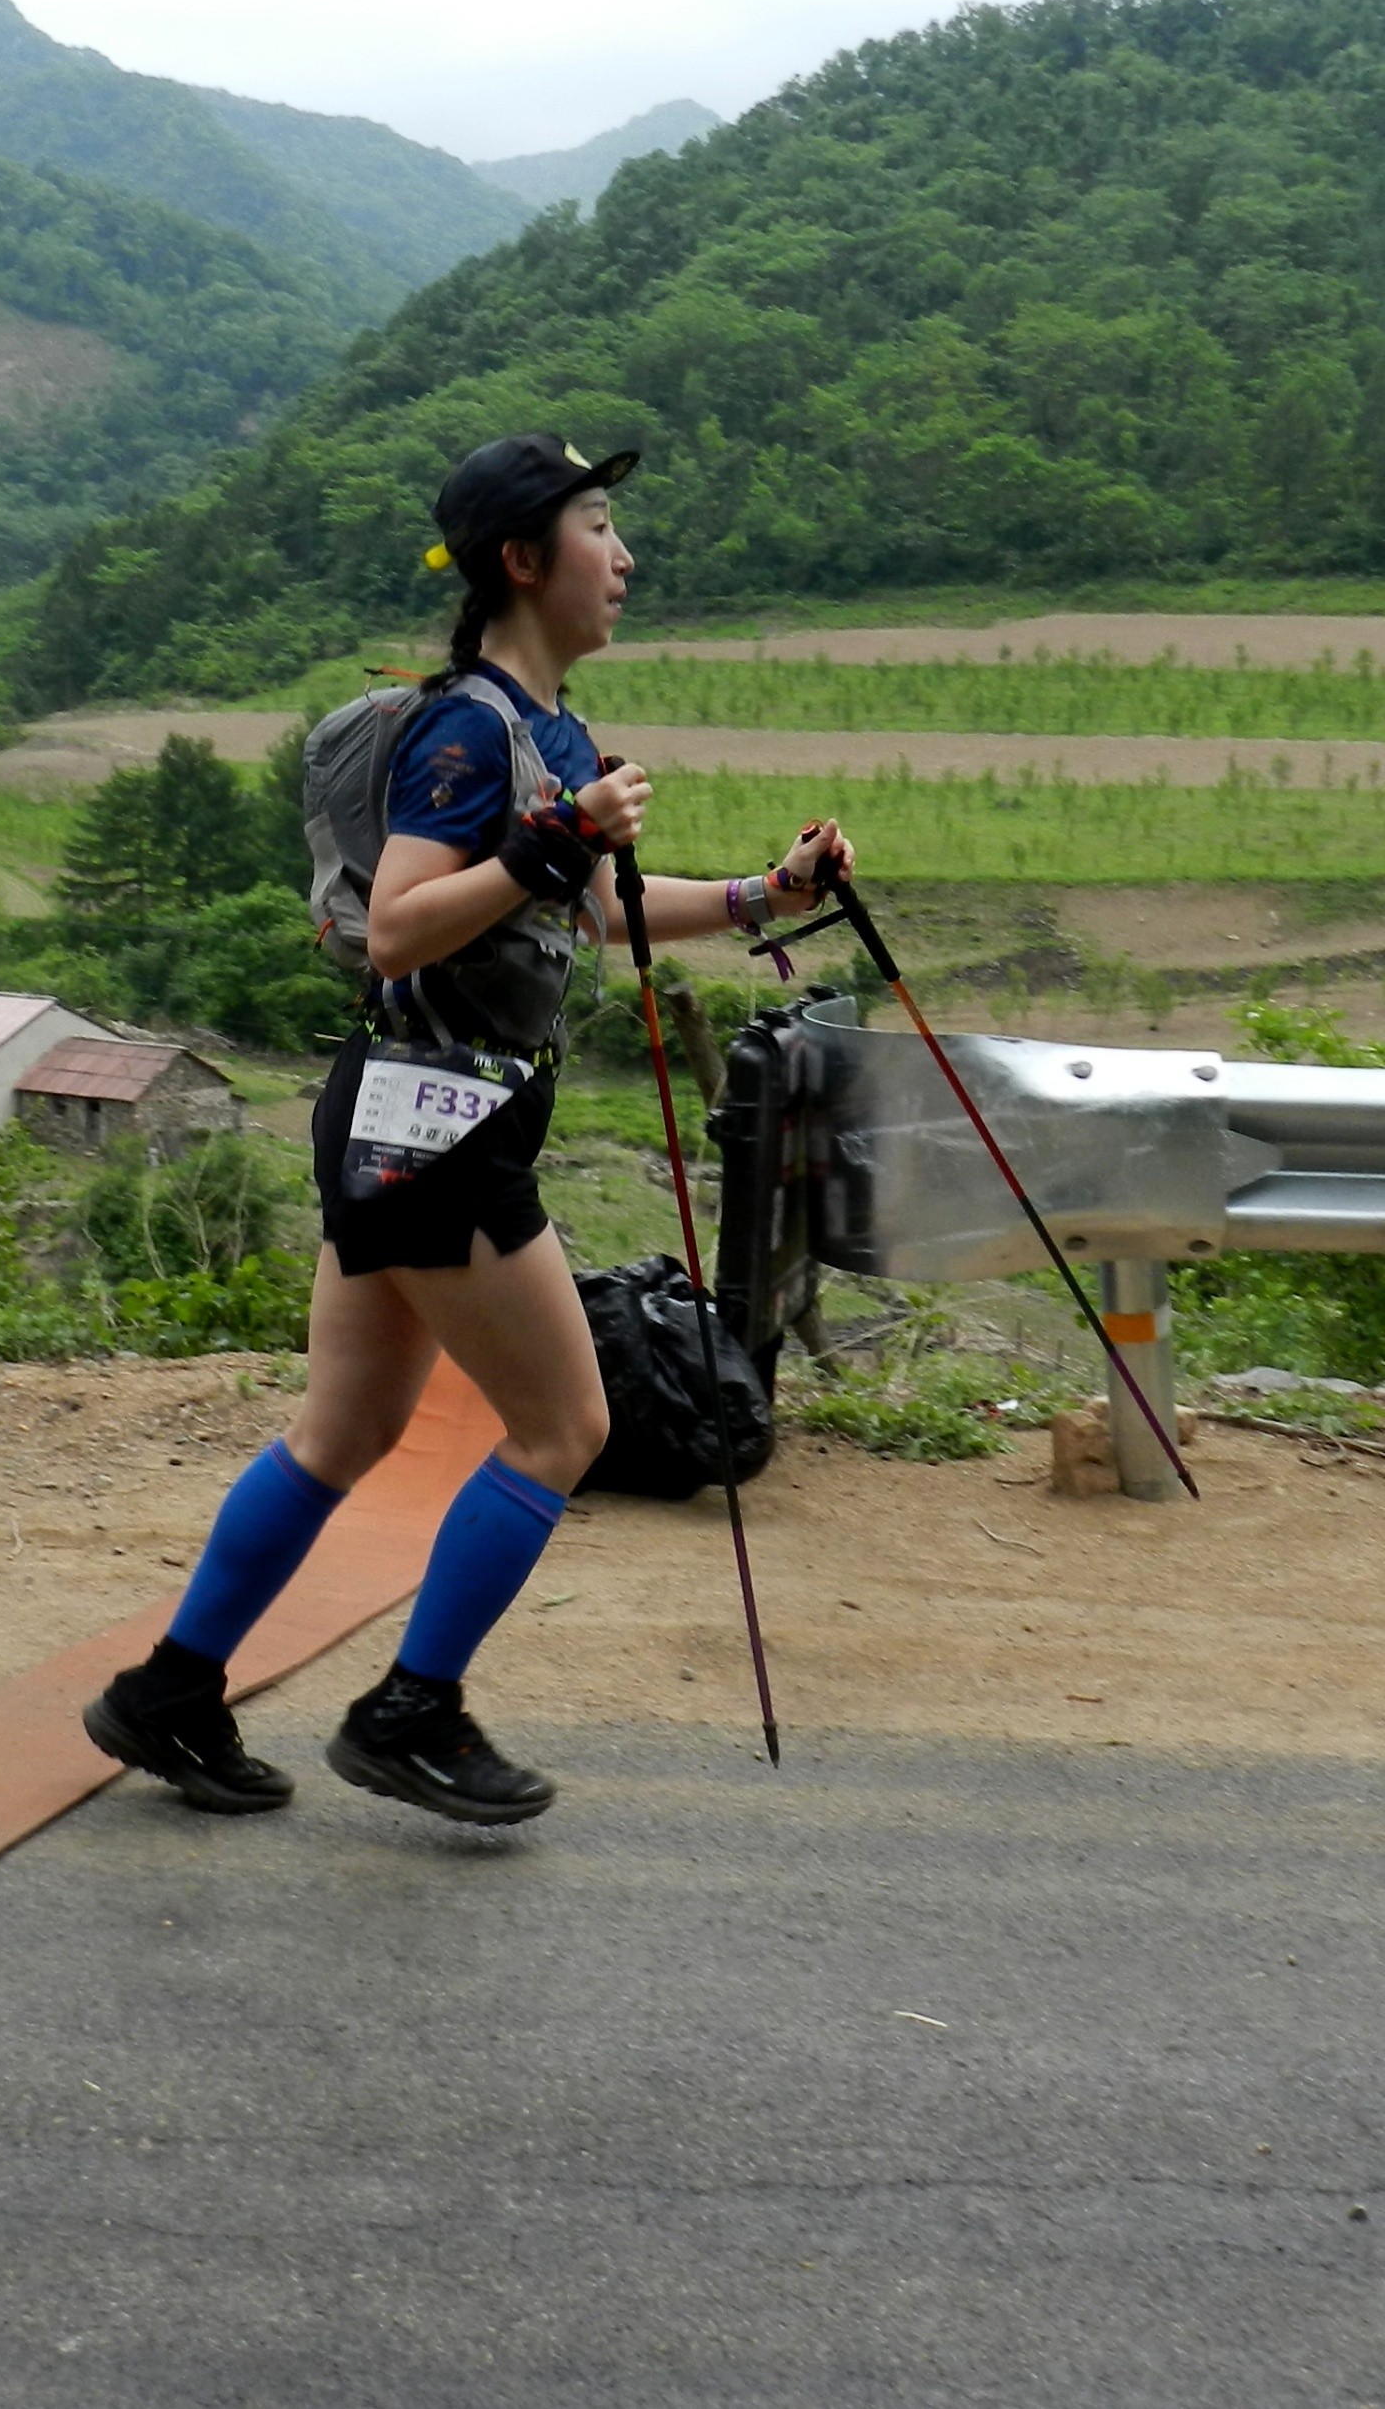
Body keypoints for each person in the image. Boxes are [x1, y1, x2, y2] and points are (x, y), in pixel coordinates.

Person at [81, 432, 849, 1825]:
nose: (622, 558)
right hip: (441, 1128)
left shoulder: (543, 734)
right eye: (597, 528)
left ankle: (165, 1694)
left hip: (396, 1117)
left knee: (341, 1433)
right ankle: (408, 1710)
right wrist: (552, 840)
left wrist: (762, 897)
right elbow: (397, 927)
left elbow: (594, 913)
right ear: (520, 560)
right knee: (563, 1423)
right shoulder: (463, 728)